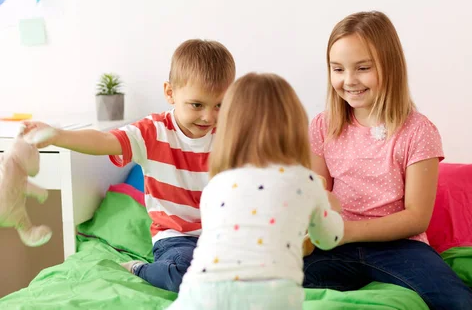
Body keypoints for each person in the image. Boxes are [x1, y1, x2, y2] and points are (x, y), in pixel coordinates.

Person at [23, 39, 236, 293]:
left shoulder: (230, 132)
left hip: (226, 236)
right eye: (197, 105)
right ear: (170, 93)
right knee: (185, 275)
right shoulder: (152, 132)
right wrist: (57, 135)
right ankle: (139, 268)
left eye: (219, 105)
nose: (209, 117)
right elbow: (103, 141)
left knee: (288, 265)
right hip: (177, 238)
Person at [303, 11, 472, 310]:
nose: (349, 80)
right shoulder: (323, 125)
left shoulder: (418, 131)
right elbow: (319, 195)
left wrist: (347, 231)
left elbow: (416, 217)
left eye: (362, 68)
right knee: (268, 285)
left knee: (458, 303)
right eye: (338, 69)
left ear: (390, 66)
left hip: (400, 248)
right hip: (334, 246)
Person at [169, 72, 344, 310]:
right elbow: (328, 238)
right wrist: (333, 209)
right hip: (273, 297)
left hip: (202, 293)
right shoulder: (307, 181)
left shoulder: (216, 184)